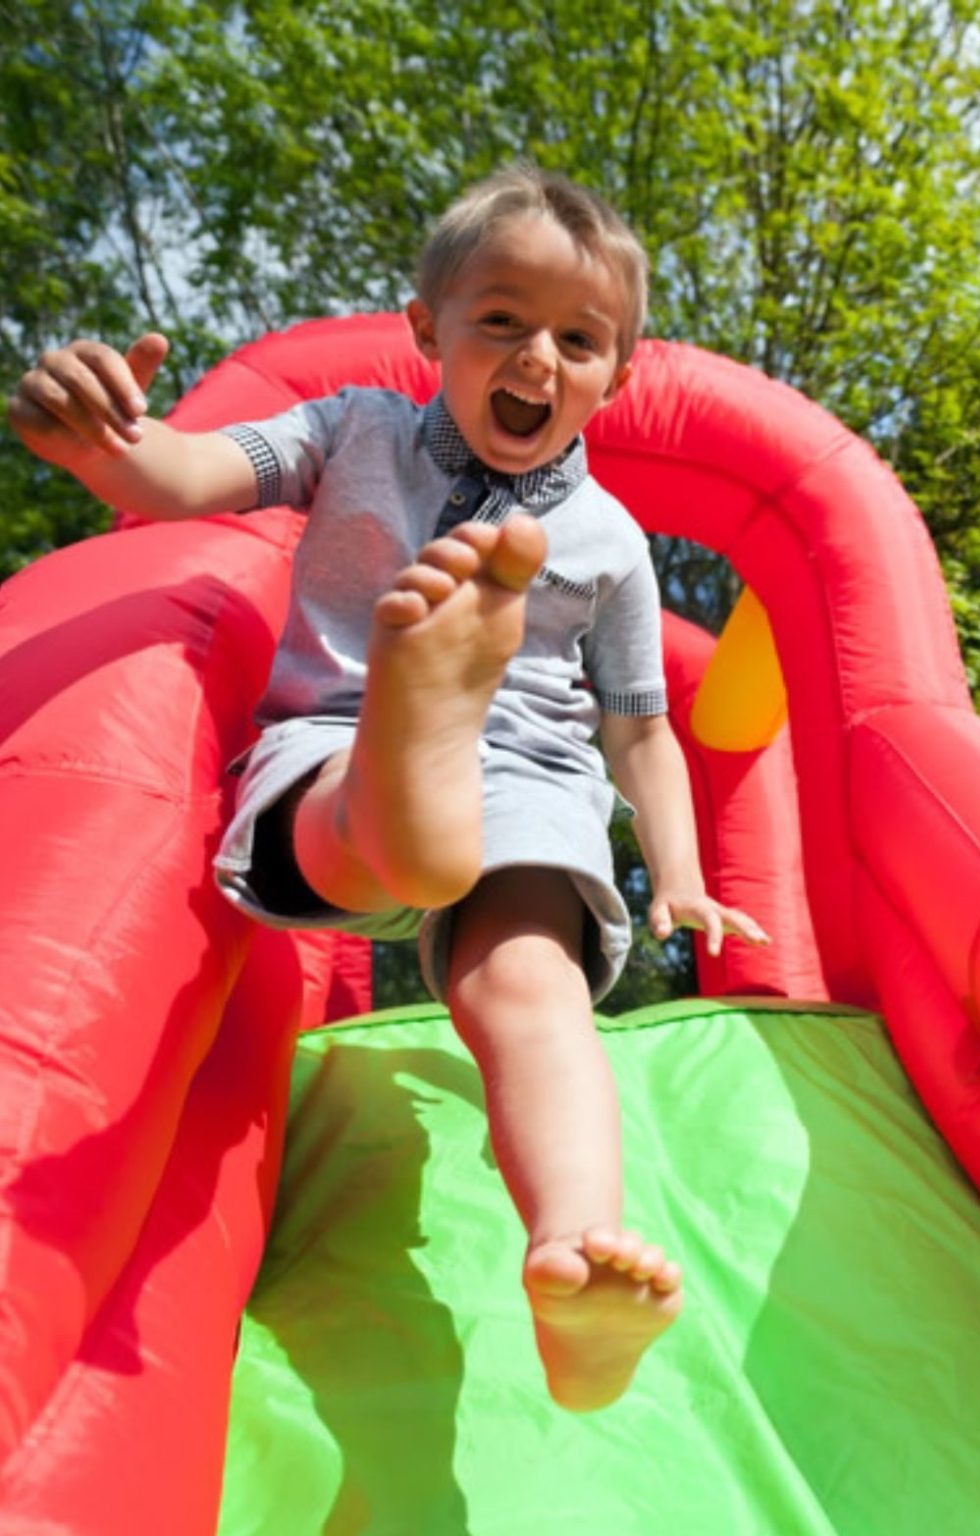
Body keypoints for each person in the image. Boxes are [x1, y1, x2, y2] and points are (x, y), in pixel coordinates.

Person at [8, 165, 768, 1412]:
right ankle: (407, 758)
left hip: (521, 774)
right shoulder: (344, 430)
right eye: (501, 320)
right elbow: (185, 477)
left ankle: (571, 1251)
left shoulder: (611, 546)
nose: (537, 357)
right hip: (338, 732)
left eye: (577, 339)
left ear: (615, 376)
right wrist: (106, 440)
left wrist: (680, 873)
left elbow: (640, 735)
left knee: (523, 980)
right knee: (399, 849)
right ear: (427, 329)